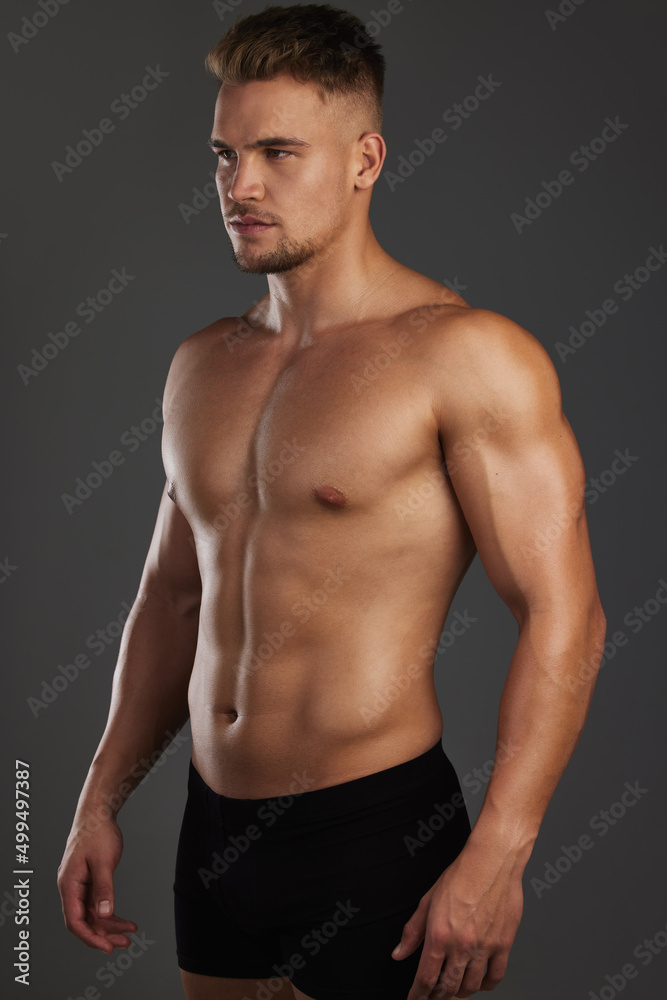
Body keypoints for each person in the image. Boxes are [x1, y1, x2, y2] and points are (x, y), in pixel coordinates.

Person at [57, 5, 607, 999]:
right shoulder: (200, 366)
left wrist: (499, 853)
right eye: (224, 155)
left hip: (370, 835)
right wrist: (97, 798)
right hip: (213, 834)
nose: (241, 186)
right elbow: (173, 600)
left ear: (364, 159)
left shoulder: (464, 355)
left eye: (276, 151)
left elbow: (565, 615)